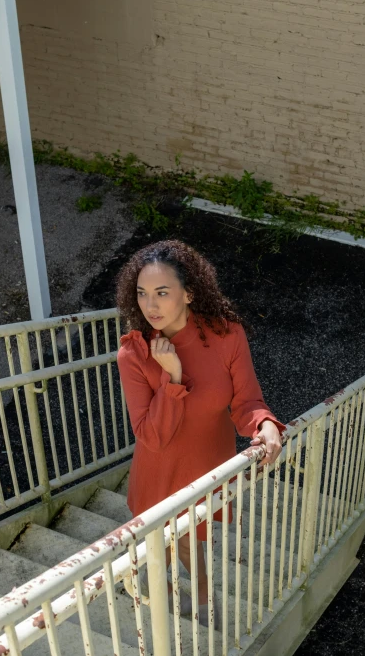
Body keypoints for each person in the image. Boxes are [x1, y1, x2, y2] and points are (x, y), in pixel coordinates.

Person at [116, 239, 285, 628]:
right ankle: (160, 591)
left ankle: (205, 601)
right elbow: (151, 436)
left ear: (189, 294)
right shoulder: (134, 353)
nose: (150, 305)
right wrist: (172, 376)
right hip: (159, 466)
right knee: (162, 539)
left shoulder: (226, 335)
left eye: (162, 293)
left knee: (192, 540)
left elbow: (246, 400)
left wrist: (264, 424)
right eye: (142, 294)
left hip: (206, 462)